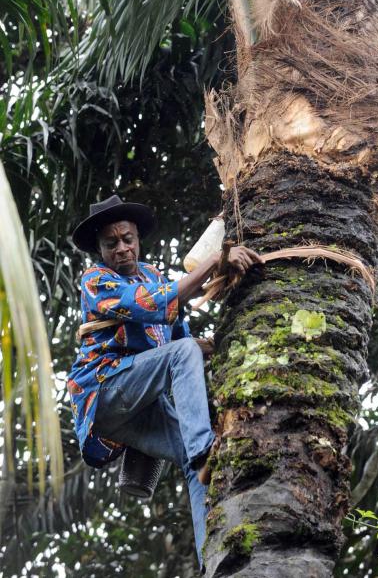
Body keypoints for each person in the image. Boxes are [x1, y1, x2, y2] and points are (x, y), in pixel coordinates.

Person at [68, 194, 262, 569]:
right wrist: (214, 260)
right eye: (111, 243)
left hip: (141, 405)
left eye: (127, 239)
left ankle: (213, 563)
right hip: (105, 394)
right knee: (186, 363)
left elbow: (176, 336)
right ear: (100, 250)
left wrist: (222, 340)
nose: (122, 248)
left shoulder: (153, 275)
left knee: (198, 470)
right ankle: (202, 446)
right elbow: (148, 305)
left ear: (137, 238)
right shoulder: (96, 280)